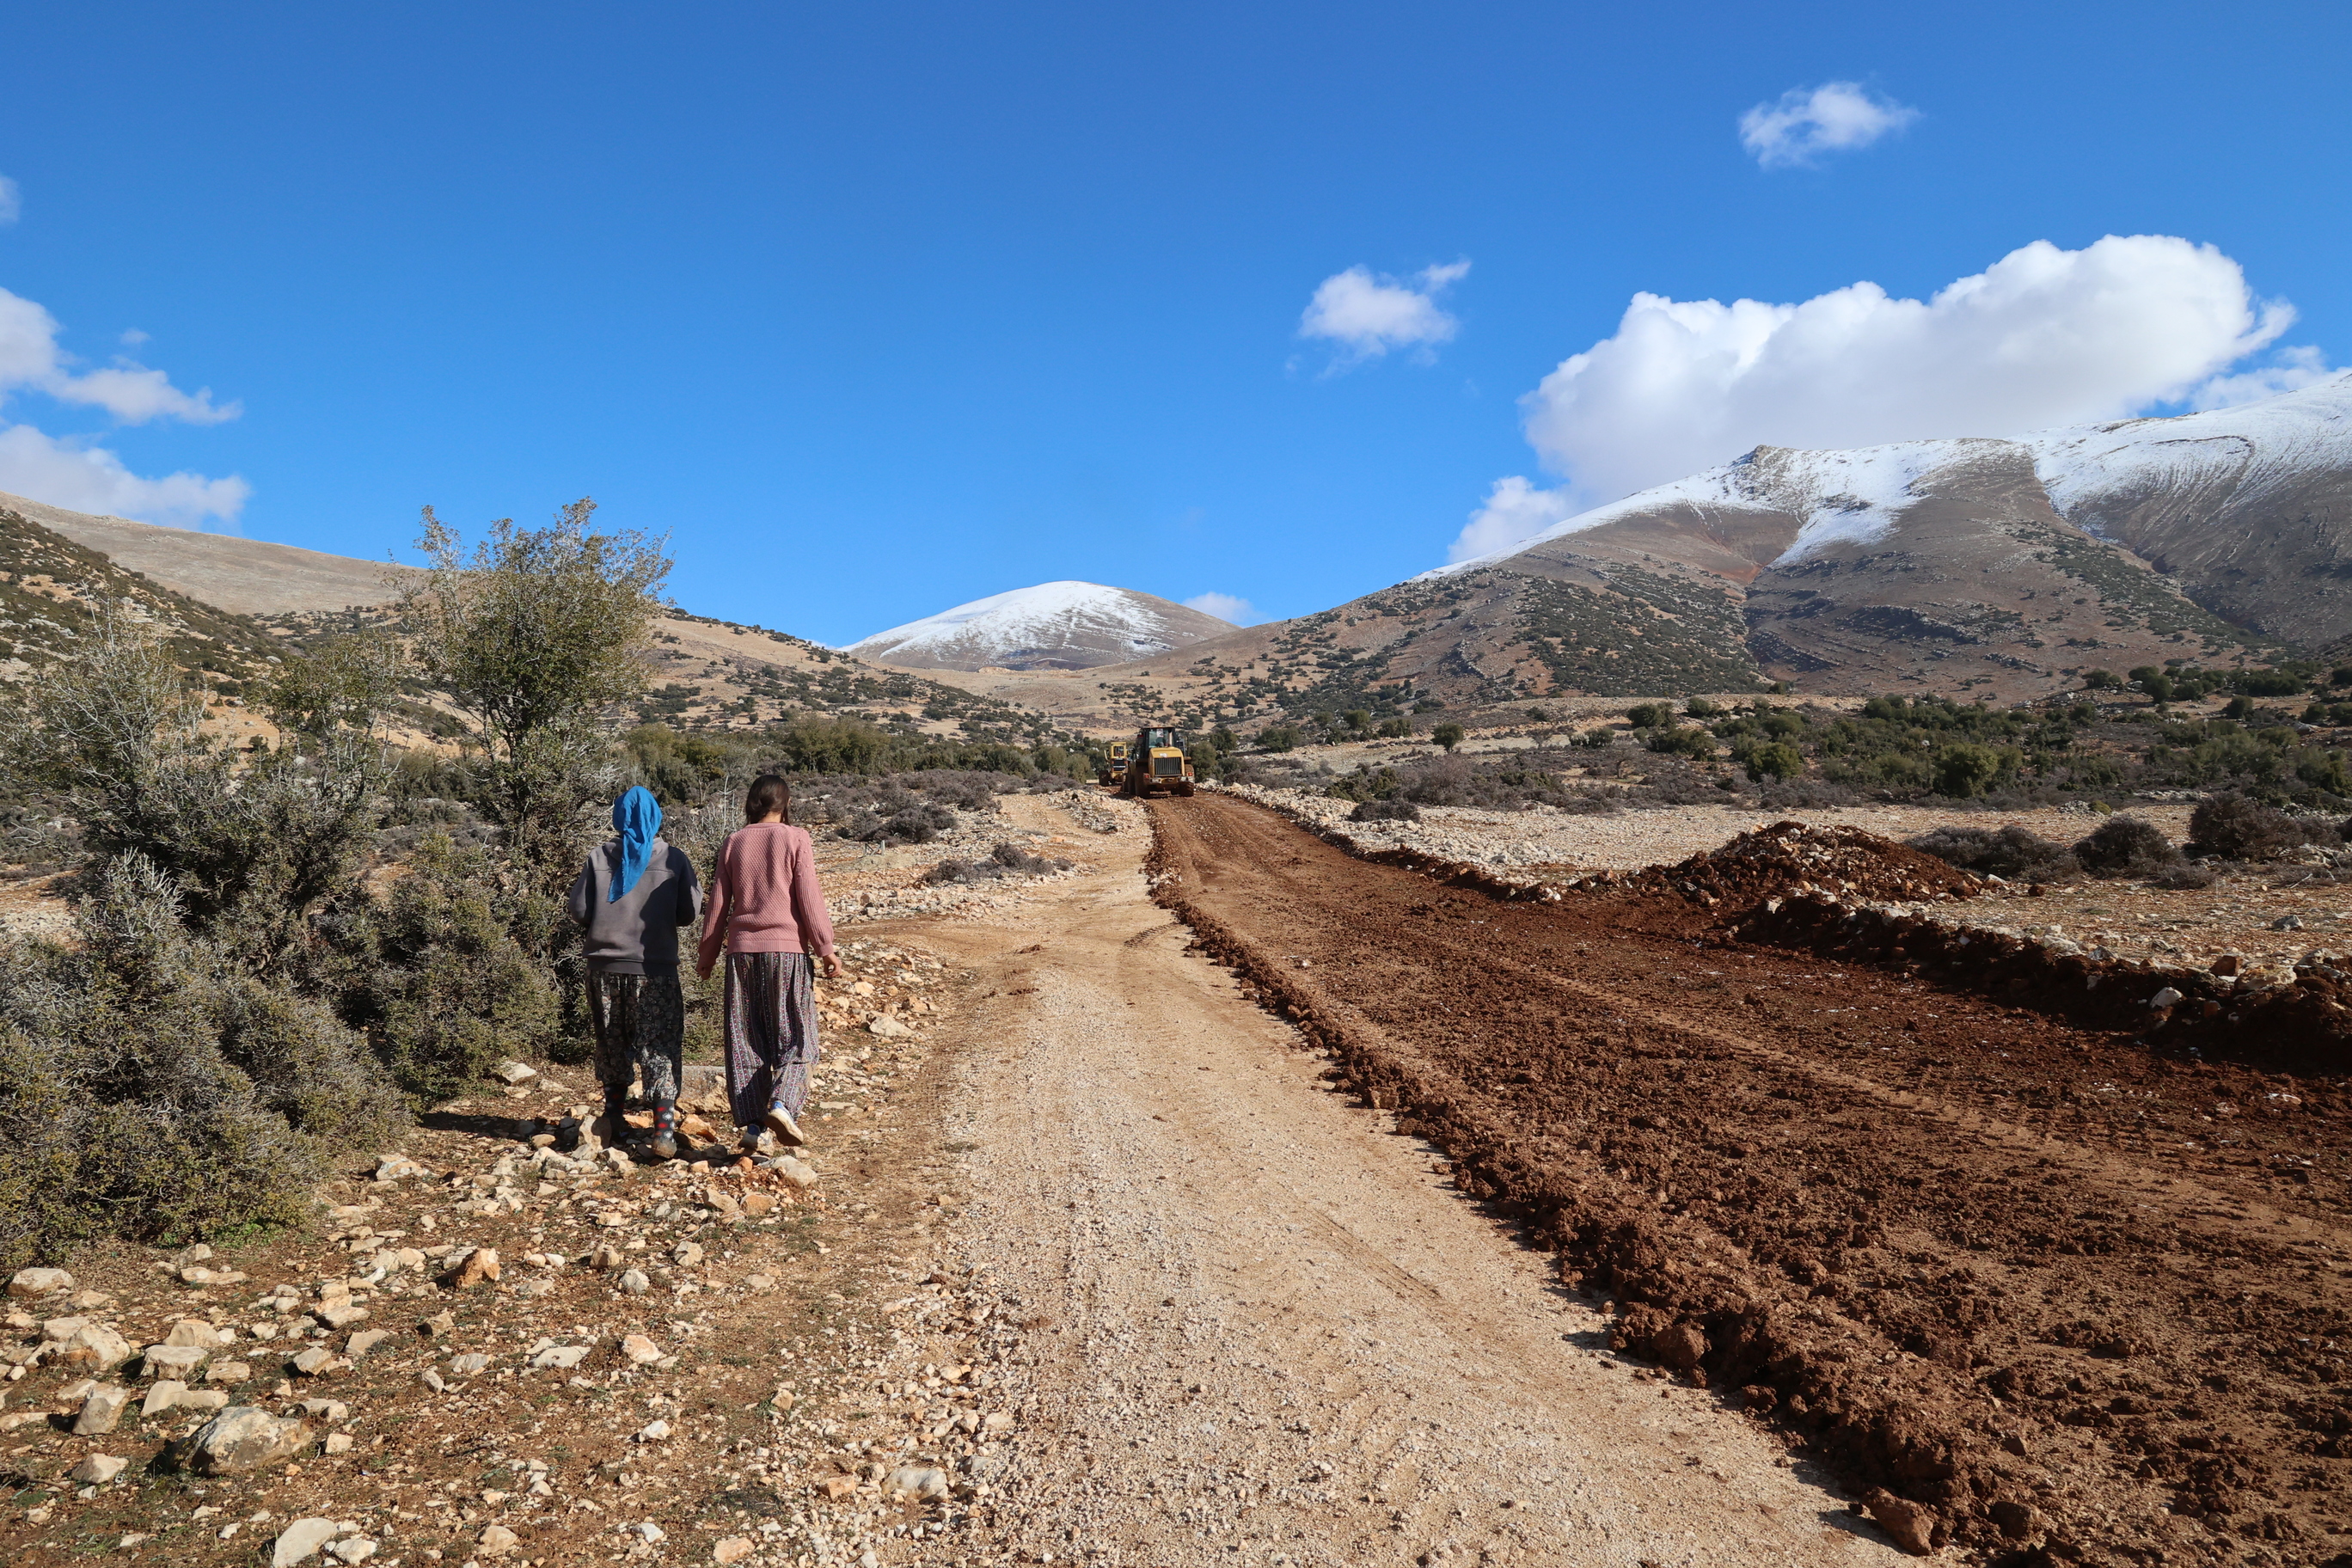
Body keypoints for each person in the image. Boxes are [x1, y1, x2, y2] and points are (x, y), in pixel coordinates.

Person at [696, 773, 841, 1154]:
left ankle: (754, 1128)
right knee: (798, 1035)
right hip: (787, 951)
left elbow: (717, 905)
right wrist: (826, 947)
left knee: (747, 1040)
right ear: (784, 803)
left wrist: (707, 956)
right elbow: (808, 896)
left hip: (741, 953)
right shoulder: (796, 838)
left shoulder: (734, 842)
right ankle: (781, 1104)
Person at [567, 786, 704, 1161]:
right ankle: (663, 1130)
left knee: (612, 1038)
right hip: (655, 969)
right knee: (659, 1043)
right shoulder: (673, 859)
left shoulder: (598, 856)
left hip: (603, 967)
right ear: (656, 817)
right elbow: (688, 914)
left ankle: (613, 1119)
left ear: (618, 816)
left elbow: (578, 910)